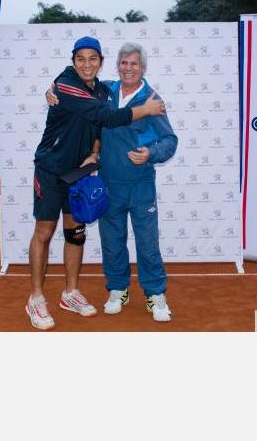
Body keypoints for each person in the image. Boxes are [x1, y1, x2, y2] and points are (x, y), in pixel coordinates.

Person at [26, 36, 166, 331]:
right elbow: (106, 116)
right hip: (50, 169)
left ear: (101, 63)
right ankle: (36, 298)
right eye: (81, 59)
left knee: (75, 233)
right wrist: (146, 110)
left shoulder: (103, 90)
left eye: (93, 59)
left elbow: (100, 126)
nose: (86, 64)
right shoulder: (66, 84)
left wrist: (95, 151)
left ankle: (70, 293)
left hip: (78, 172)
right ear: (73, 62)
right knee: (44, 232)